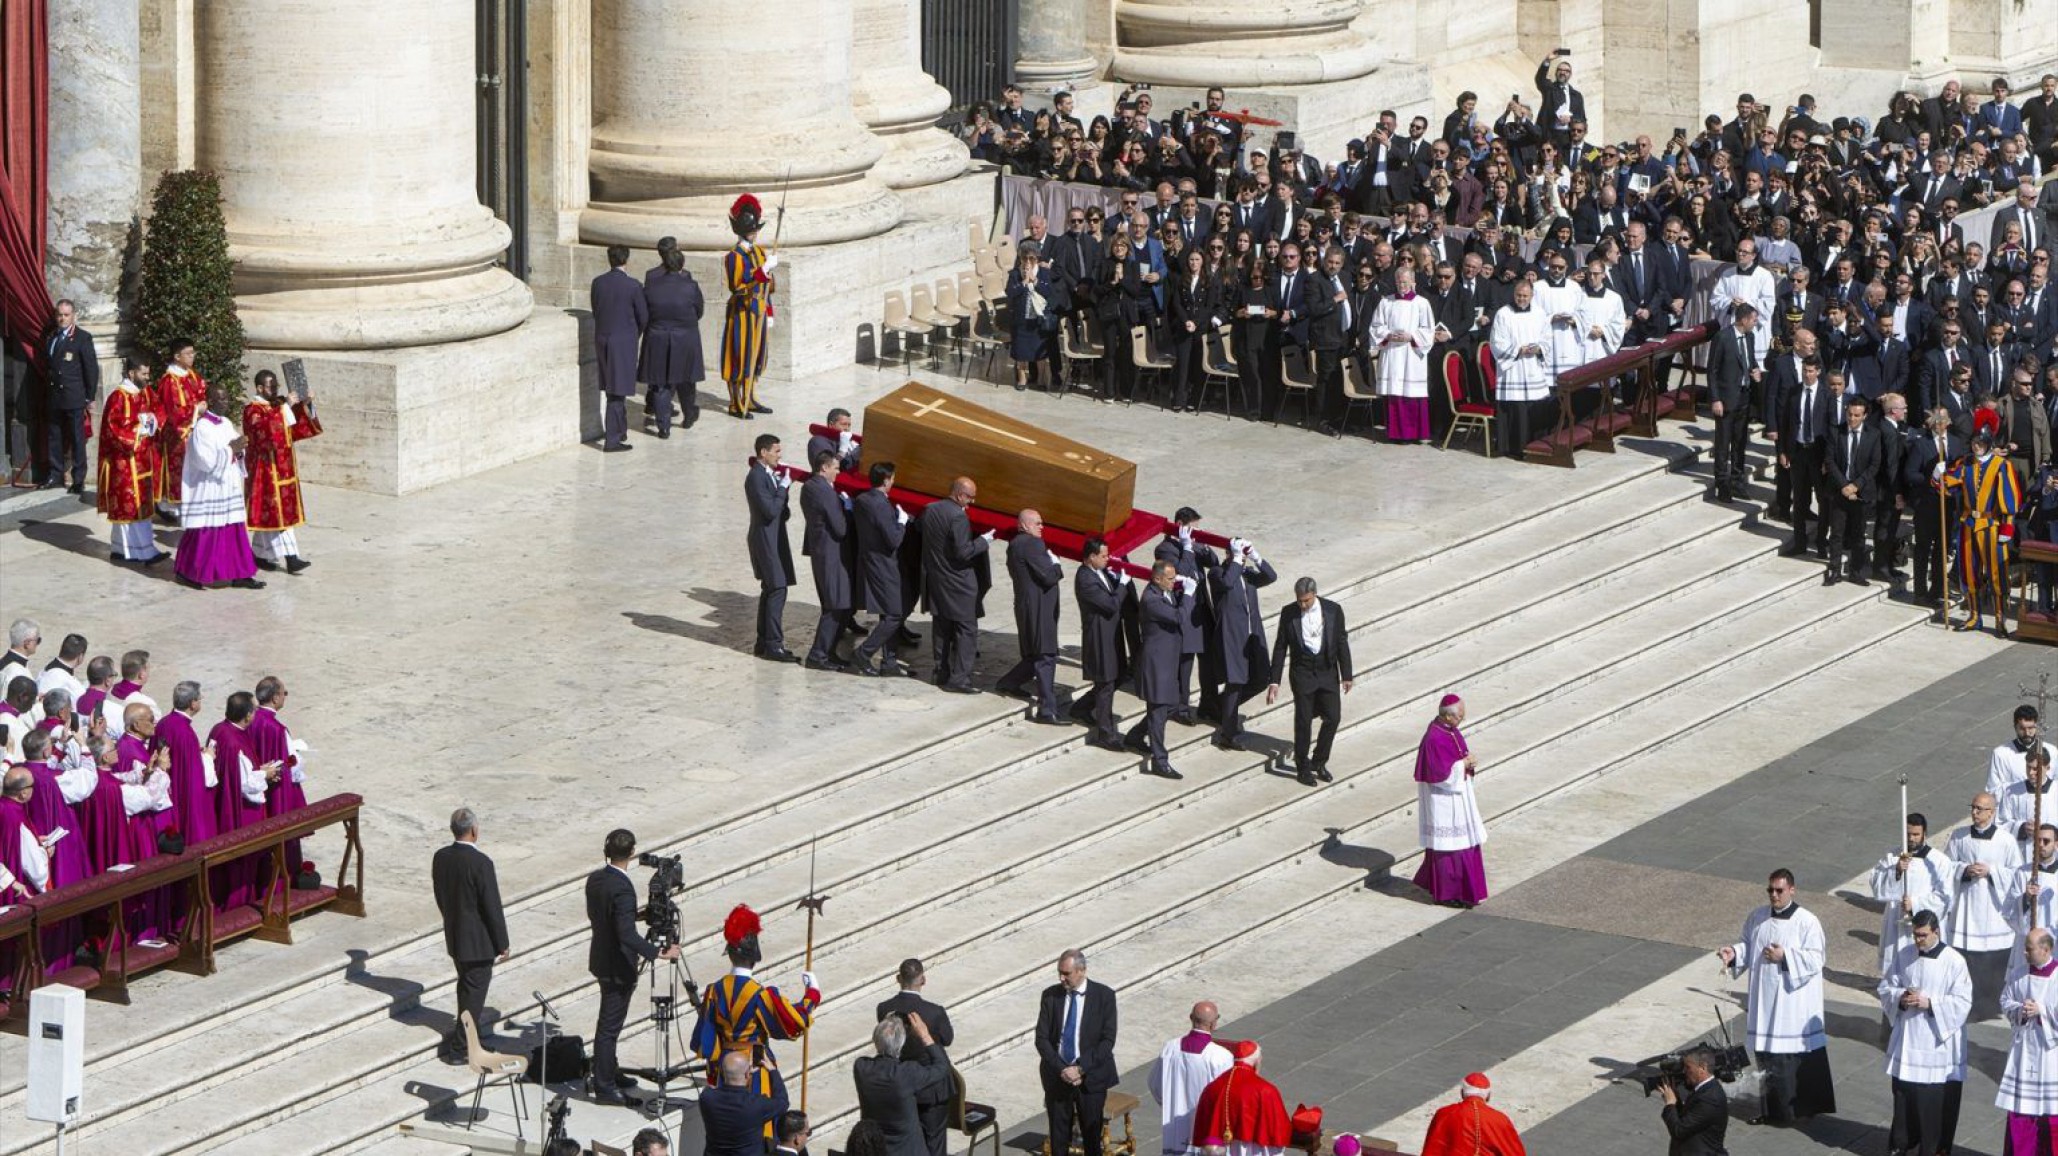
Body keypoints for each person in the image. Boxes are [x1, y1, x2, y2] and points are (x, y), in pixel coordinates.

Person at [1718, 868, 1834, 1126]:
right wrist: (1733, 953)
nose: (1774, 895)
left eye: (1779, 890)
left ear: (1792, 889)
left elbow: (1817, 958)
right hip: (1764, 1000)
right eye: (1770, 890)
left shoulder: (1807, 921)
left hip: (1793, 1004)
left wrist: (1786, 957)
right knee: (1767, 1059)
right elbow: (1748, 945)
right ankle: (1771, 1110)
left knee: (1790, 1060)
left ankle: (1796, 1110)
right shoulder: (1757, 917)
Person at [691, 904, 821, 1120]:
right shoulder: (760, 994)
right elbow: (793, 1022)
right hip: (755, 1066)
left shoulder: (714, 990)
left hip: (725, 1066)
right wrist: (813, 995)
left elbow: (704, 1038)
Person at [584, 828, 681, 1105]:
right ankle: (603, 1085)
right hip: (617, 964)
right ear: (633, 851)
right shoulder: (623, 889)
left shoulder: (596, 879)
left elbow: (605, 917)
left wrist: (632, 915)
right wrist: (658, 951)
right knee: (609, 1027)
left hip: (601, 957)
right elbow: (626, 934)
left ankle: (609, 1070)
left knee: (609, 1024)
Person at [1880, 910, 1972, 1156]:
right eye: (1915, 935)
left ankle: (1931, 1149)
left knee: (1930, 1102)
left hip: (1935, 1045)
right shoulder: (1905, 955)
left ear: (1936, 932)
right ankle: (1901, 1144)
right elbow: (1886, 986)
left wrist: (1930, 1003)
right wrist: (1901, 997)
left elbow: (1963, 1002)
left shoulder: (1954, 961)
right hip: (1909, 1039)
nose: (1918, 940)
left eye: (1922, 935)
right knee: (1903, 1098)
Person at [432, 806, 510, 1064]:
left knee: (467, 990)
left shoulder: (441, 857)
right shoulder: (481, 863)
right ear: (474, 830)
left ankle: (471, 1039)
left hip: (456, 936)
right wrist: (502, 943)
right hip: (478, 942)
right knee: (473, 994)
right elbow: (492, 906)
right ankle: (460, 1048)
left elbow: (440, 896)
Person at [173, 384, 265, 591]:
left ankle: (240, 573)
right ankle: (189, 572)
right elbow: (205, 462)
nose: (226, 402)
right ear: (211, 402)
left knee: (234, 531)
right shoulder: (202, 427)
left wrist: (241, 448)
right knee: (204, 532)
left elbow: (235, 448)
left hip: (228, 486)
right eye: (221, 399)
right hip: (210, 487)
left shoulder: (226, 423)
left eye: (227, 398)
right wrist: (231, 449)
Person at [1267, 578, 1354, 787]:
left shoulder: (1333, 610)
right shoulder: (1289, 613)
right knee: (1303, 722)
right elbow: (1280, 647)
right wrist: (1274, 681)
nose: (1302, 605)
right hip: (1303, 674)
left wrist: (1347, 674)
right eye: (1299, 601)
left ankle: (1319, 761)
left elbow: (1341, 641)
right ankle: (1303, 767)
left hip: (1327, 672)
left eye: (1306, 601)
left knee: (1333, 718)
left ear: (1314, 594)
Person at [1947, 792, 2023, 1019]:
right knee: (1967, 958)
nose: (1974, 812)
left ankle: (1992, 1004)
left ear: (1992, 812)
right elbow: (1946, 867)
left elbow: (2016, 873)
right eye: (1973, 807)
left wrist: (1991, 871)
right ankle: (1969, 1002)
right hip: (1967, 907)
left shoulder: (2006, 840)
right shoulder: (1959, 836)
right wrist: (1964, 870)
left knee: (1993, 960)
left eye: (1980, 809)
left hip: (1993, 909)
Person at [1036, 949, 1119, 1156]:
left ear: (1081, 971)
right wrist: (1063, 1069)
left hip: (1090, 1078)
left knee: (1091, 1139)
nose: (1061, 978)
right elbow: (1042, 1039)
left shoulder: (1104, 996)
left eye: (1066, 973)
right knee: (1058, 1138)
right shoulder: (1050, 996)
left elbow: (1107, 1041)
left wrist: (1080, 1068)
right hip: (1058, 1076)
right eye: (1059, 973)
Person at [242, 369, 320, 575]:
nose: (276, 389)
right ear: (260, 388)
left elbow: (295, 428)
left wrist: (306, 404)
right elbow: (265, 432)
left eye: (277, 385)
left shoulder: (276, 406)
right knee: (279, 515)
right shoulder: (252, 410)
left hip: (284, 469)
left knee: (271, 516)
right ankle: (291, 558)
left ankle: (259, 554)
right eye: (272, 386)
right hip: (266, 470)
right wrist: (286, 406)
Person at [1944, 426, 2021, 635]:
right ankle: (1974, 616)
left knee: (1997, 573)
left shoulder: (2001, 465)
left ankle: (1999, 619)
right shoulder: (1966, 463)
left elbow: (2010, 498)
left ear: (1989, 444)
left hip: (1992, 526)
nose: (1976, 446)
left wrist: (2007, 526)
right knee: (1970, 572)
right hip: (1969, 524)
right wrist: (1941, 473)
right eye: (1974, 442)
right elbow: (1947, 484)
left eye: (1981, 443)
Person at [918, 476, 992, 695]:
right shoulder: (958, 517)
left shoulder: (931, 510)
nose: (972, 502)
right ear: (960, 494)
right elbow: (963, 552)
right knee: (966, 630)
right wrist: (983, 542)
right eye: (970, 497)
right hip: (959, 583)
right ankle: (959, 679)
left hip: (937, 579)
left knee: (941, 626)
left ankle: (940, 671)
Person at [1413, 694, 1487, 908]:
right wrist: (1463, 764)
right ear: (1446, 716)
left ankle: (1464, 891)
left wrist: (1467, 761)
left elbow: (1457, 757)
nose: (1462, 720)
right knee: (1449, 849)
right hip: (1444, 800)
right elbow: (1439, 774)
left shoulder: (1449, 730)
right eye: (1459, 717)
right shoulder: (1434, 738)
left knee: (1464, 844)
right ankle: (1447, 894)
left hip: (1458, 797)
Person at [877, 958, 955, 1156]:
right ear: (923, 979)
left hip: (901, 1085)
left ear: (897, 978)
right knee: (934, 1143)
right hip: (931, 1088)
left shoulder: (884, 1008)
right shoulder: (935, 1012)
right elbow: (947, 1039)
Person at [97, 358, 166, 566]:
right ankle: (145, 552)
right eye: (143, 374)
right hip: (124, 461)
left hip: (143, 459)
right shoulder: (117, 397)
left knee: (138, 504)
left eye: (148, 373)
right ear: (131, 374)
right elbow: (112, 430)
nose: (147, 378)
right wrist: (138, 431)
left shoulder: (145, 392)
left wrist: (153, 421)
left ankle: (120, 548)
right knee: (131, 505)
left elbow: (159, 410)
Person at [997, 509, 1065, 724]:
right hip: (1039, 609)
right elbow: (1048, 576)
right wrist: (1056, 564)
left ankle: (1009, 683)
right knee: (1046, 655)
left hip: (1027, 607)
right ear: (1025, 525)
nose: (1041, 526)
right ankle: (1047, 710)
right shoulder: (1032, 544)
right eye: (1037, 523)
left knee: (1034, 654)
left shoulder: (1015, 544)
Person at [853, 1012, 952, 1156]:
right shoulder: (907, 1073)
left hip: (876, 1149)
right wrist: (925, 1035)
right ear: (901, 1043)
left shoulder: (861, 1068)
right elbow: (942, 1067)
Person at [1209, 539, 1276, 752]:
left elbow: (1271, 577)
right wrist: (1236, 559)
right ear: (1228, 553)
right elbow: (1227, 583)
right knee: (1235, 682)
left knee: (1261, 678)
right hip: (1232, 636)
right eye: (1238, 553)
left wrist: (1256, 557)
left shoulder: (1246, 574)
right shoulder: (1217, 573)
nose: (1242, 557)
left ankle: (1223, 706)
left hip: (1252, 635)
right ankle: (1227, 733)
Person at [1125, 560, 1188, 781]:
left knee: (1169, 706)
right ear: (1157, 578)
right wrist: (1188, 596)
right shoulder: (1151, 599)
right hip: (1156, 665)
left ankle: (1135, 735)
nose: (1175, 582)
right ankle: (1160, 761)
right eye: (1170, 579)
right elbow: (1178, 617)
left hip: (1167, 663)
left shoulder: (1165, 592)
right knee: (1159, 711)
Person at [1998, 927, 2058, 1155]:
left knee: (2051, 1115)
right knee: (2021, 1113)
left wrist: (2041, 1011)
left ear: (2045, 949)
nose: (2024, 953)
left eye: (2029, 949)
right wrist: (2021, 1010)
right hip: (2024, 1052)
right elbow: (2005, 1000)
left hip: (2051, 1056)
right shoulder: (2019, 974)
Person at [1073, 538, 1135, 752]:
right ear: (1091, 557)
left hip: (1110, 635)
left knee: (1115, 678)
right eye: (1103, 556)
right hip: (1099, 638)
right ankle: (1105, 734)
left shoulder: (1099, 573)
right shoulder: (1085, 579)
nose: (1107, 559)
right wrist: (1123, 586)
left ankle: (1081, 707)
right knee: (1106, 683)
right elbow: (1110, 605)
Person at [852, 462, 914, 678]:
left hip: (872, 561)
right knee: (894, 615)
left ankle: (889, 662)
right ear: (886, 480)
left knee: (888, 613)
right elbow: (894, 539)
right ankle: (864, 652)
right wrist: (903, 522)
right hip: (884, 565)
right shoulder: (880, 504)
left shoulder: (862, 499)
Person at [638, 245, 706, 437]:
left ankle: (663, 427)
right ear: (682, 265)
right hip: (685, 339)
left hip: (657, 338)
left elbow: (645, 313)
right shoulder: (691, 286)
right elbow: (699, 311)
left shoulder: (651, 286)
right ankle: (688, 416)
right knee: (686, 381)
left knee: (660, 384)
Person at [1148, 1001, 1232, 1156]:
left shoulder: (1170, 1048)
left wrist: (1171, 1105)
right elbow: (1225, 1098)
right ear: (1213, 1024)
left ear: (1191, 1018)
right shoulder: (1221, 1056)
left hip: (1174, 1126)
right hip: (1206, 1130)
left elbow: (1155, 1085)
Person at [800, 449, 857, 672]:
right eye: (835, 467)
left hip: (825, 553)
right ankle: (818, 654)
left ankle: (829, 651)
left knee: (840, 604)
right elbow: (840, 528)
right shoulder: (824, 491)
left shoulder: (811, 486)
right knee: (835, 606)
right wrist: (848, 509)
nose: (838, 472)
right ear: (824, 467)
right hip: (831, 554)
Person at [722, 194, 778, 418]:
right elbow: (738, 287)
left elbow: (767, 286)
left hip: (759, 311)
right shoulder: (734, 256)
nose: (755, 232)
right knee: (739, 357)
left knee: (755, 357)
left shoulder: (759, 252)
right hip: (742, 313)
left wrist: (770, 306)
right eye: (752, 229)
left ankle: (750, 398)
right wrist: (762, 273)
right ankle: (736, 403)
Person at [1874, 813, 1952, 974]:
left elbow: (1945, 898)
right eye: (1908, 834)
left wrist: (1914, 904)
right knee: (1895, 968)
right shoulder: (1892, 856)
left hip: (1922, 922)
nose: (1911, 839)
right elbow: (1876, 885)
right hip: (1896, 918)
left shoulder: (1939, 861)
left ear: (1925, 834)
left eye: (1916, 834)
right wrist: (1895, 870)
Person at [1188, 1039, 1292, 1156]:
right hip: (1255, 1149)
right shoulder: (1266, 1090)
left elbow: (1204, 1126)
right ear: (1257, 1061)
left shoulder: (1213, 1087)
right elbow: (1279, 1129)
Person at [747, 434, 800, 663]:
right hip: (765, 541)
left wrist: (782, 490)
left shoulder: (767, 475)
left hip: (773, 539)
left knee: (771, 589)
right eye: (776, 451)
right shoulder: (756, 477)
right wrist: (782, 488)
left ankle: (764, 642)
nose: (780, 455)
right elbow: (769, 511)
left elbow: (782, 513)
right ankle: (773, 645)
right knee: (777, 589)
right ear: (763, 453)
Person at [36, 299, 98, 492]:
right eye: (59, 315)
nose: (62, 318)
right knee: (54, 437)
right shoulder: (52, 337)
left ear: (73, 316)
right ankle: (55, 475)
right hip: (55, 396)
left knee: (77, 438)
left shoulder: (82, 338)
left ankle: (78, 479)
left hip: (73, 396)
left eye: (66, 315)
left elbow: (91, 369)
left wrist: (90, 397)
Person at [590, 243, 648, 452]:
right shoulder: (633, 286)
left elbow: (596, 310)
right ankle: (612, 440)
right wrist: (634, 335)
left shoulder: (598, 283)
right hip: (622, 343)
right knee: (616, 391)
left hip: (603, 339)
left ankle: (620, 430)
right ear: (626, 260)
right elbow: (644, 317)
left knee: (615, 388)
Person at [1370, 266, 1437, 443]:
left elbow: (1428, 330)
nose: (1402, 285)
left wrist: (1411, 336)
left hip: (1412, 354)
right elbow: (1375, 326)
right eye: (1399, 281)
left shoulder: (1422, 303)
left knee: (1412, 393)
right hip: (1392, 353)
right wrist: (1388, 335)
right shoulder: (1386, 302)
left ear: (1413, 282)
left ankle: (1416, 433)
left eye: (1406, 282)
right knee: (1395, 394)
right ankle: (1397, 434)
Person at [1824, 394, 1883, 586]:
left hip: (1861, 492)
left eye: (1857, 415)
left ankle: (1856, 571)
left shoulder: (1873, 435)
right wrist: (1844, 485)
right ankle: (1834, 569)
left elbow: (1874, 465)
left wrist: (1856, 486)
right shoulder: (1836, 432)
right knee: (1837, 532)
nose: (1852, 418)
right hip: (1839, 489)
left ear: (1864, 416)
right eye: (1850, 414)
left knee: (1858, 534)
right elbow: (1830, 461)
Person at [1490, 281, 1554, 457]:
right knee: (1516, 407)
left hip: (1533, 367)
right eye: (1519, 295)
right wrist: (1518, 350)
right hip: (1513, 369)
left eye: (1525, 296)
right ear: (1514, 294)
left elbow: (1547, 337)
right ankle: (1513, 448)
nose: (1521, 299)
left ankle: (1537, 445)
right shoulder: (1503, 314)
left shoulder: (1540, 313)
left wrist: (1539, 348)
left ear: (1532, 296)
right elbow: (1497, 342)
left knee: (1535, 405)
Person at [1705, 304, 1761, 503]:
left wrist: (1755, 372)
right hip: (1726, 400)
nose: (1755, 324)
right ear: (1744, 319)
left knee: (1740, 442)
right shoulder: (1723, 338)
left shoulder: (1750, 337)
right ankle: (1722, 483)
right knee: (1723, 443)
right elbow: (1712, 370)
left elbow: (1750, 362)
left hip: (1744, 398)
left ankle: (1738, 481)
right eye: (1754, 320)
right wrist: (1715, 398)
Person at [151, 338, 208, 524]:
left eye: (193, 353)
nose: (193, 356)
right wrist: (195, 410)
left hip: (193, 428)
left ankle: (189, 502)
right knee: (177, 470)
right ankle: (169, 505)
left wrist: (204, 405)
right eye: (188, 353)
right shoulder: (169, 381)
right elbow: (173, 410)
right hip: (177, 433)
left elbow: (201, 392)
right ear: (177, 356)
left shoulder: (191, 374)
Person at [701, 1050, 791, 1156]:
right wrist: (772, 1070)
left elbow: (720, 1089)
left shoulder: (707, 1098)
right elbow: (782, 1102)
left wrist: (742, 1074)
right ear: (748, 1074)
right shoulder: (756, 1104)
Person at [1419, 1073, 1526, 1156]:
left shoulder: (1444, 1113)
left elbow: (1432, 1149)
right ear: (1488, 1096)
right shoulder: (1500, 1119)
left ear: (1462, 1093)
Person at [1657, 1047, 1729, 1156]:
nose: (1684, 1071)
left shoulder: (1710, 1099)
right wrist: (1676, 1102)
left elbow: (1679, 1130)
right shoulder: (1703, 1089)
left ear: (1702, 1068)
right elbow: (1688, 1119)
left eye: (1688, 1067)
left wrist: (1670, 1104)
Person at [808, 409, 862, 474]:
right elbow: (827, 468)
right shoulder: (818, 441)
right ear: (831, 425)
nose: (847, 428)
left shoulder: (848, 442)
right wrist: (844, 451)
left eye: (849, 425)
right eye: (844, 424)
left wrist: (858, 449)